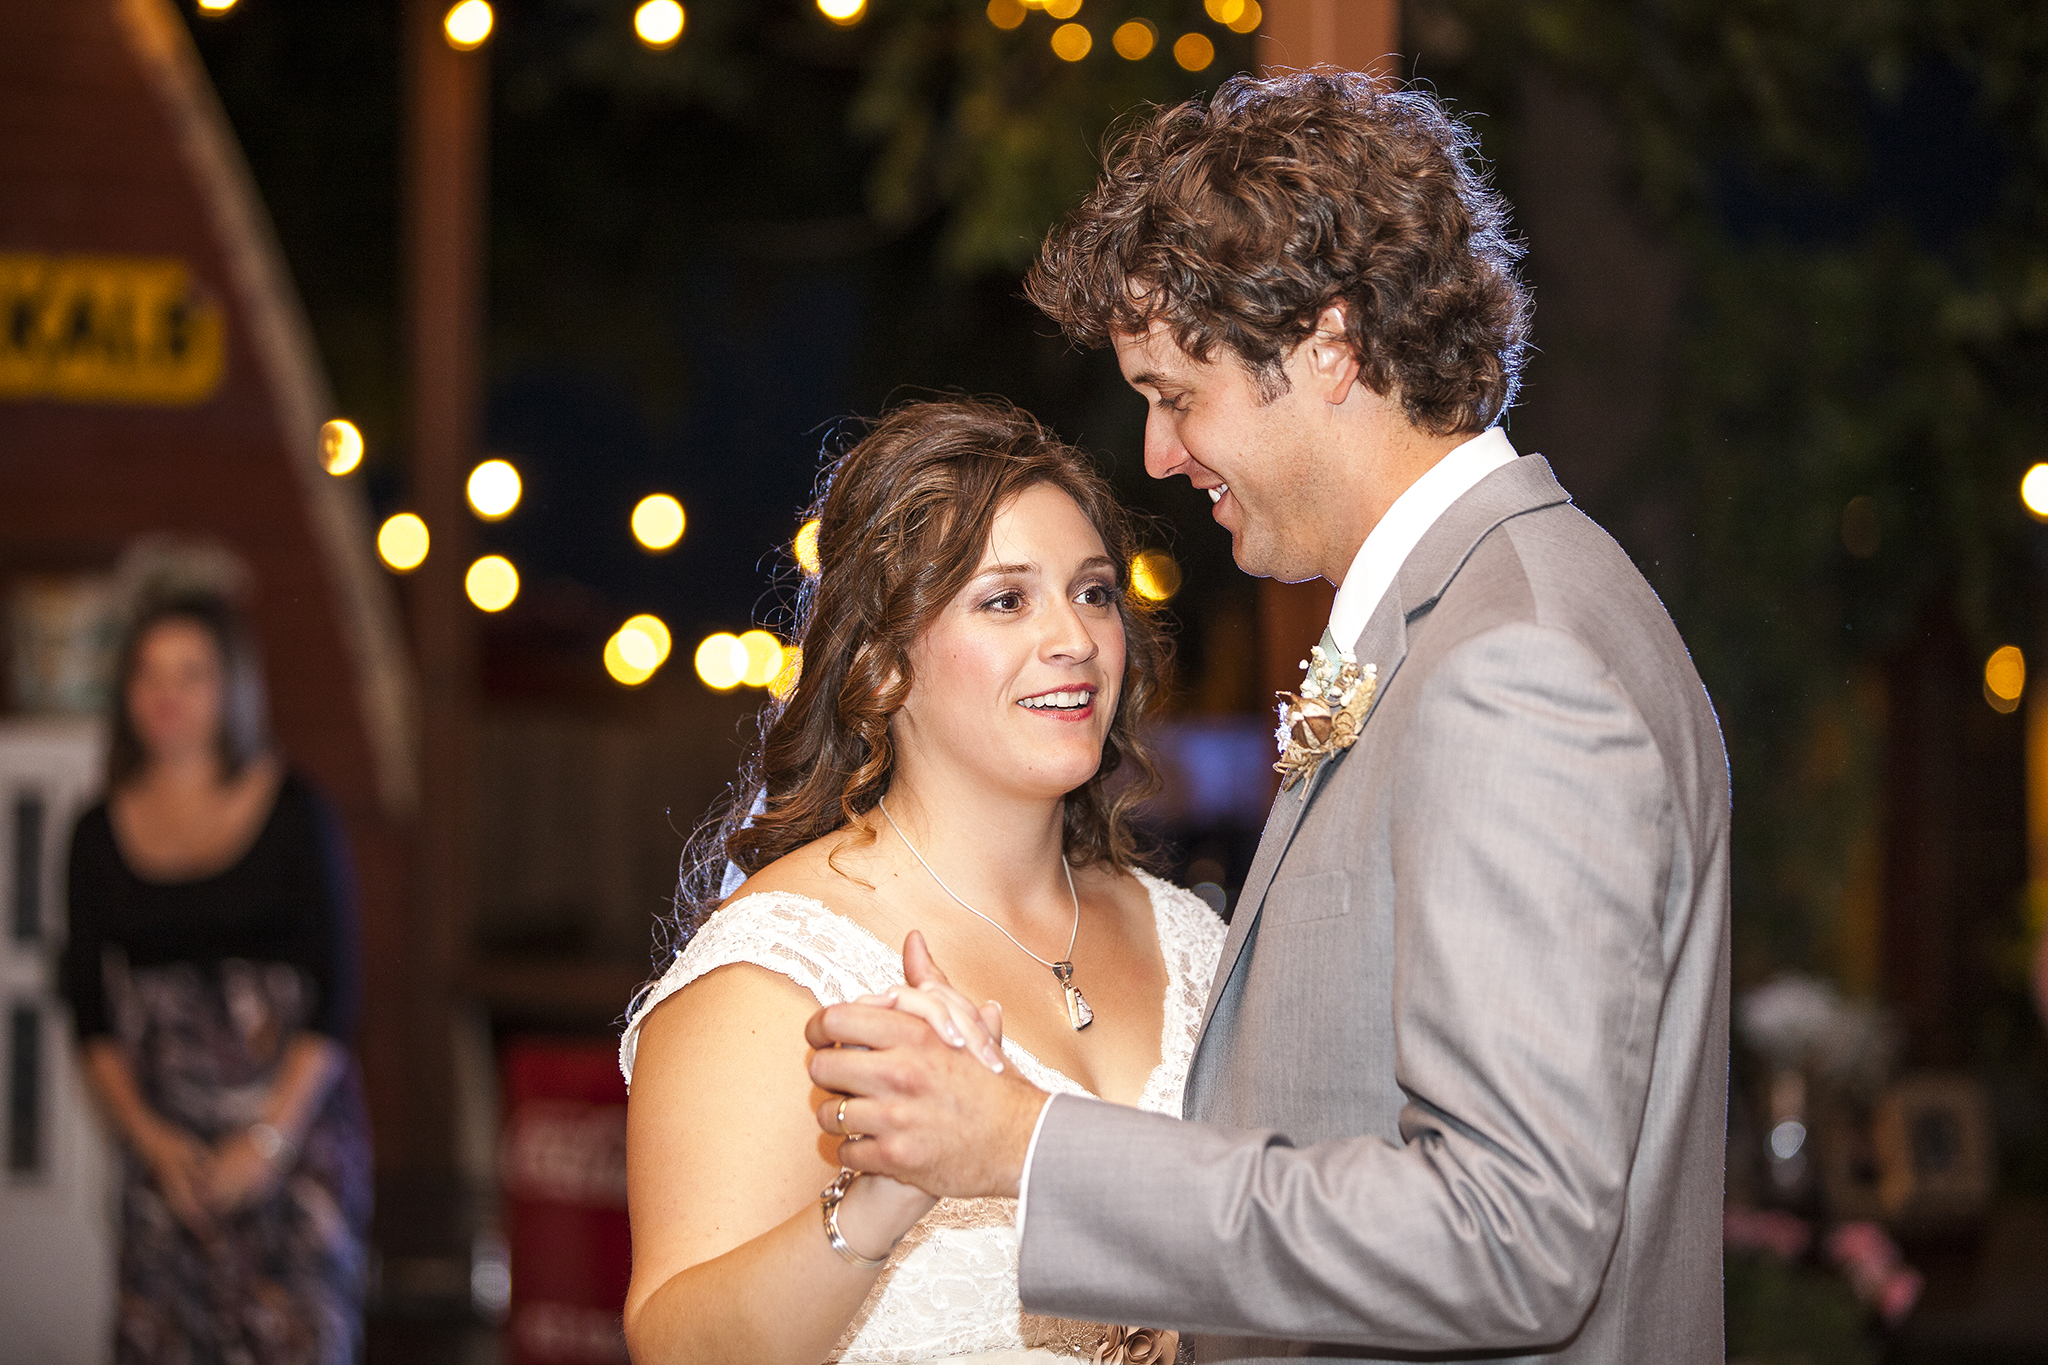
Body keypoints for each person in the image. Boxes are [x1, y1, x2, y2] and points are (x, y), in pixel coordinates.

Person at [806, 69, 1733, 1364]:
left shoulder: (1515, 663)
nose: (1159, 456)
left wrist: (1026, 1141)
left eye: (1176, 395)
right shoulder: (1492, 608)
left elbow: (1509, 1237)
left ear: (1328, 347)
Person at [618, 398, 1222, 1365]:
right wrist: (883, 1200)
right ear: (881, 663)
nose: (1074, 637)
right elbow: (677, 1348)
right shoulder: (775, 973)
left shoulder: (1195, 940)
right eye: (1005, 599)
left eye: (1095, 591)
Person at [61, 590, 371, 1365]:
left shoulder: (298, 809)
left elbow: (336, 992)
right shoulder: (94, 829)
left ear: (232, 684)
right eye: (148, 672)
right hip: (162, 1153)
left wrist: (266, 1142)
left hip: (293, 1137)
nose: (167, 694)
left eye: (191, 673)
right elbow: (89, 1007)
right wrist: (155, 1145)